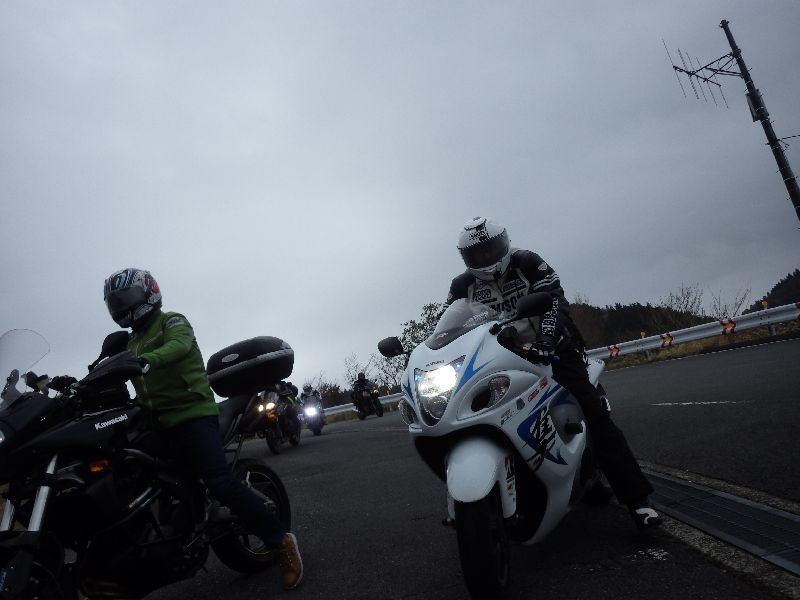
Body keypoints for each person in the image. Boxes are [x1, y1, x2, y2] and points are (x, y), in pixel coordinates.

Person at [444, 218, 661, 529]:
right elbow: (451, 326)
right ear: (466, 257)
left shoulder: (528, 262)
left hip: (553, 350)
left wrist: (546, 340)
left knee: (593, 414)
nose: (486, 257)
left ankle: (638, 501)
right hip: (501, 359)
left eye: (490, 249)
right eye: (477, 253)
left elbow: (555, 301)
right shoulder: (462, 285)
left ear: (504, 243)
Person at [103, 268, 305, 588]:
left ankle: (280, 541)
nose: (121, 306)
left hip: (193, 414)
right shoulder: (131, 341)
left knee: (219, 482)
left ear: (148, 293)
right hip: (157, 421)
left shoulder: (172, 322)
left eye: (126, 298)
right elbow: (110, 366)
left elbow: (179, 346)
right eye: (115, 302)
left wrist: (147, 360)